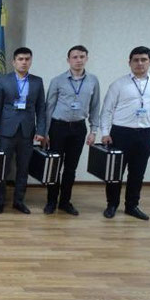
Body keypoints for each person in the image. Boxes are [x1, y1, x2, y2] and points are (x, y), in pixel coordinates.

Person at [100, 46, 150, 221]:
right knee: (115, 172)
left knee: (138, 172)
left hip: (145, 134)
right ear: (129, 62)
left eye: (143, 59)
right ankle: (112, 205)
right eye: (136, 60)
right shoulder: (118, 84)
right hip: (120, 133)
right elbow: (106, 110)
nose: (140, 63)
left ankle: (132, 206)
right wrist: (105, 132)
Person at [43, 45, 101, 215]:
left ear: (86, 59)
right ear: (68, 60)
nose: (78, 60)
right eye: (75, 57)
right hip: (58, 127)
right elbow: (49, 107)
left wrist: (93, 131)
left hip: (78, 128)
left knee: (70, 168)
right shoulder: (57, 80)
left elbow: (95, 106)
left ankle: (65, 202)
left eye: (82, 57)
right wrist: (45, 133)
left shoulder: (93, 81)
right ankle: (51, 201)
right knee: (54, 165)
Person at [0, 47, 46, 214]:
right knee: (2, 167)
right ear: (13, 61)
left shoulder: (37, 81)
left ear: (31, 61)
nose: (24, 62)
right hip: (5, 131)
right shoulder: (3, 80)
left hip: (27, 132)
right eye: (20, 59)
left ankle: (19, 201)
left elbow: (41, 108)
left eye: (27, 59)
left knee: (23, 168)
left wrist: (41, 130)